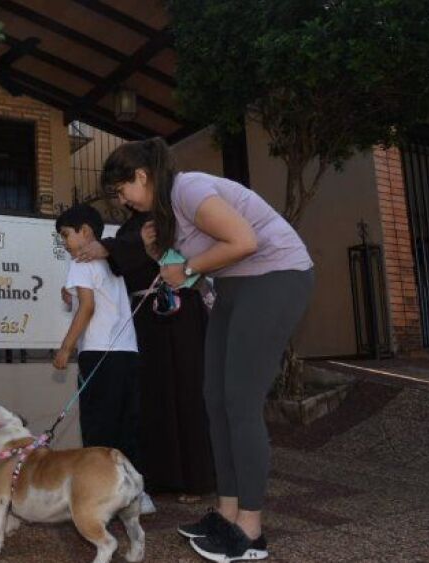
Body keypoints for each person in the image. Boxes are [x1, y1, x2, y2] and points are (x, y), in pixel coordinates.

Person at [101, 138, 314, 562]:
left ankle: (250, 531)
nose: (122, 200)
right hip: (237, 286)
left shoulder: (188, 189)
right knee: (214, 400)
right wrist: (156, 252)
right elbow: (181, 279)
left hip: (277, 276)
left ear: (141, 176)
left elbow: (243, 241)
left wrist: (190, 266)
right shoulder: (166, 214)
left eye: (121, 190)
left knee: (240, 403)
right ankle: (227, 511)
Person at [72, 208, 216, 505]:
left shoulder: (170, 213)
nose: (120, 197)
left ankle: (196, 478)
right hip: (147, 322)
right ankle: (160, 477)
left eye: (123, 187)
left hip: (178, 313)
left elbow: (151, 252)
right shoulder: (132, 225)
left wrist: (111, 247)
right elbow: (120, 264)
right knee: (152, 398)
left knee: (186, 393)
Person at [53, 204, 141, 485]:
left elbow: (88, 307)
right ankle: (135, 492)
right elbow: (98, 300)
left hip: (98, 353)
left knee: (98, 428)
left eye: (66, 235)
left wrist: (66, 347)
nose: (65, 243)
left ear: (86, 232)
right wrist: (74, 298)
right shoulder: (113, 261)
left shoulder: (80, 261)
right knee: (126, 426)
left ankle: (97, 491)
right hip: (127, 353)